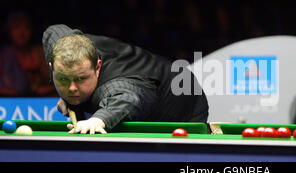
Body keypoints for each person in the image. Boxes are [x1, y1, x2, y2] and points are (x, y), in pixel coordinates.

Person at [42, 24, 209, 134]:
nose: (72, 88)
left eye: (80, 78)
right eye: (64, 79)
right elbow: (52, 31)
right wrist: (65, 92)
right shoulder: (60, 44)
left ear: (97, 67)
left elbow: (128, 99)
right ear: (52, 66)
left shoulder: (115, 87)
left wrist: (98, 120)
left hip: (183, 102)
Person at [0, 12, 56, 96]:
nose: (22, 33)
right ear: (8, 31)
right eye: (16, 27)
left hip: (43, 101)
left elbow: (54, 81)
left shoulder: (40, 53)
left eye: (26, 28)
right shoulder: (5, 55)